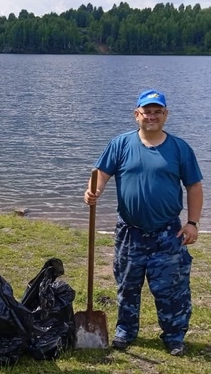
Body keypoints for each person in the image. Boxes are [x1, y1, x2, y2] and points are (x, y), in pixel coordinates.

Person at [84, 89, 203, 356]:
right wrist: (94, 191)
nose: (151, 116)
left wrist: (192, 222)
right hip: (130, 231)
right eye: (146, 111)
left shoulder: (180, 148)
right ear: (136, 115)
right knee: (127, 285)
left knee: (172, 289)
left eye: (157, 111)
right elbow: (101, 174)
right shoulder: (121, 144)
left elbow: (194, 186)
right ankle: (125, 331)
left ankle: (174, 335)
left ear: (165, 115)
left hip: (168, 233)